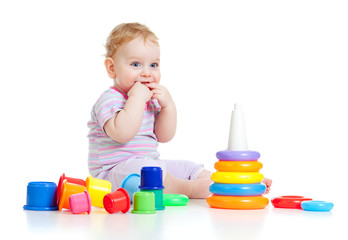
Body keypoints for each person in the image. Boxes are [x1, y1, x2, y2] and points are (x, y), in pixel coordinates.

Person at [87, 23, 271, 198]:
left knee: (187, 167)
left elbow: (164, 136)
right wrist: (136, 99)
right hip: (112, 174)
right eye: (135, 64)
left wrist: (168, 106)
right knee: (148, 172)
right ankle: (188, 188)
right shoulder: (110, 99)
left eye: (153, 65)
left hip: (149, 164)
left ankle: (232, 182)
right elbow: (123, 133)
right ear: (112, 68)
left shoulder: (148, 99)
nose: (146, 73)